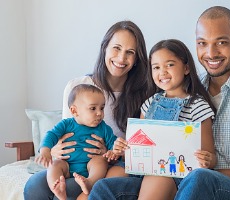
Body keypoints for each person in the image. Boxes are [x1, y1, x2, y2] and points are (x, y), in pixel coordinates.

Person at [88, 6, 230, 200]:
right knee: (106, 188)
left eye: (221, 42)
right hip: (177, 180)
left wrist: (197, 171)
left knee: (198, 178)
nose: (211, 53)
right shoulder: (191, 87)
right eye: (202, 43)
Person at [24, 20, 153, 200]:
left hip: (112, 164)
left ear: (137, 59)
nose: (122, 58)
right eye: (116, 48)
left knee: (69, 189)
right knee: (34, 187)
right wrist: (52, 150)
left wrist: (112, 152)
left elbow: (143, 145)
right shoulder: (78, 87)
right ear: (105, 48)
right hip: (74, 160)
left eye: (130, 52)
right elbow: (66, 129)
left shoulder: (144, 93)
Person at [95, 39, 217, 200]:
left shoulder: (197, 106)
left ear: (186, 68)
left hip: (175, 176)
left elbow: (211, 157)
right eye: (156, 67)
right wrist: (122, 149)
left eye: (170, 65)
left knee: (157, 179)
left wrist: (207, 160)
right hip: (143, 170)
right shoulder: (149, 103)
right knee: (103, 185)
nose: (163, 72)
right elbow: (136, 148)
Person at [36, 84, 117, 200]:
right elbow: (51, 134)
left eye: (102, 108)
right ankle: (58, 189)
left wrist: (112, 152)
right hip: (67, 167)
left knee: (100, 161)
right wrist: (45, 151)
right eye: (93, 108)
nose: (99, 113)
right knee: (55, 165)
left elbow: (113, 144)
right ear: (74, 111)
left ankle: (90, 183)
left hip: (91, 167)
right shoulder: (66, 124)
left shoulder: (104, 128)